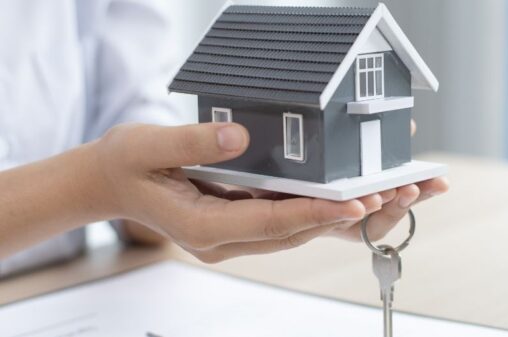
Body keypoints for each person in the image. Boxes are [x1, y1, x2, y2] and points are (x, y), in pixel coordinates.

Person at [0, 1, 448, 277]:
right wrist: (93, 185)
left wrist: (162, 197)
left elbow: (130, 106)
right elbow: (109, 175)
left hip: (80, 279)